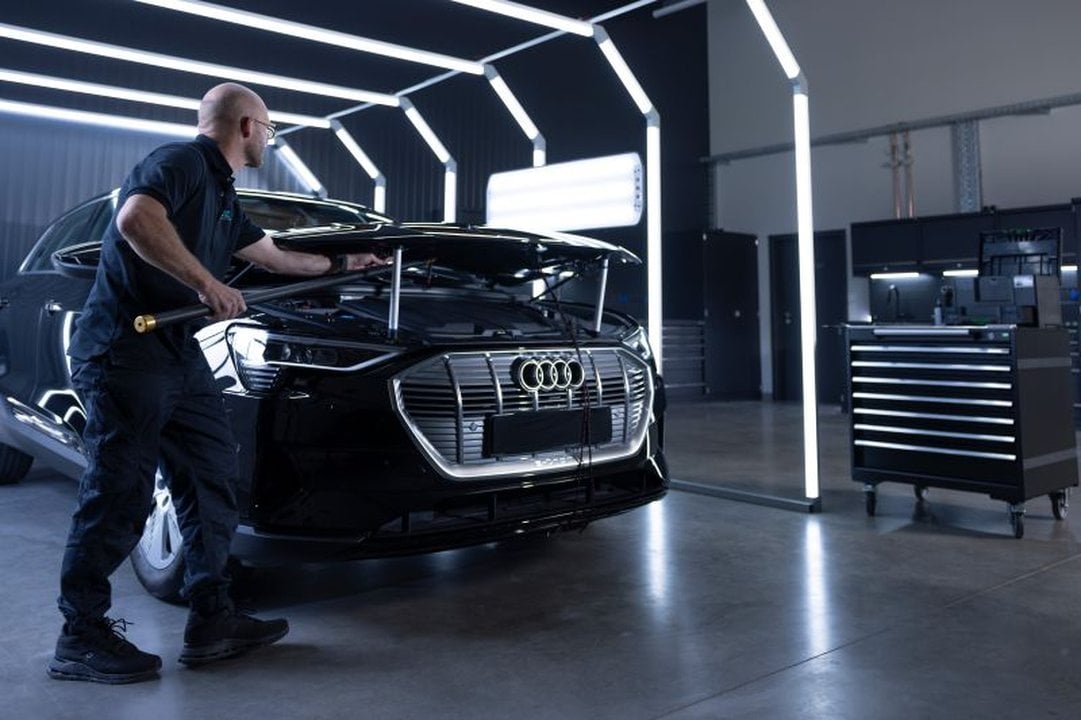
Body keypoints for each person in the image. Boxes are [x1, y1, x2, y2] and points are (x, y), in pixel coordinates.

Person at [47, 82, 383, 684]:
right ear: (247, 126)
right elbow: (136, 218)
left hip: (179, 354)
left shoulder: (226, 196)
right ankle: (80, 636)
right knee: (119, 493)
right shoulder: (179, 162)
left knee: (211, 480)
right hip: (125, 351)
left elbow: (275, 257)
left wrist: (345, 265)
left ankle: (211, 618)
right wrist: (208, 284)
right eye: (269, 129)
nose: (269, 141)